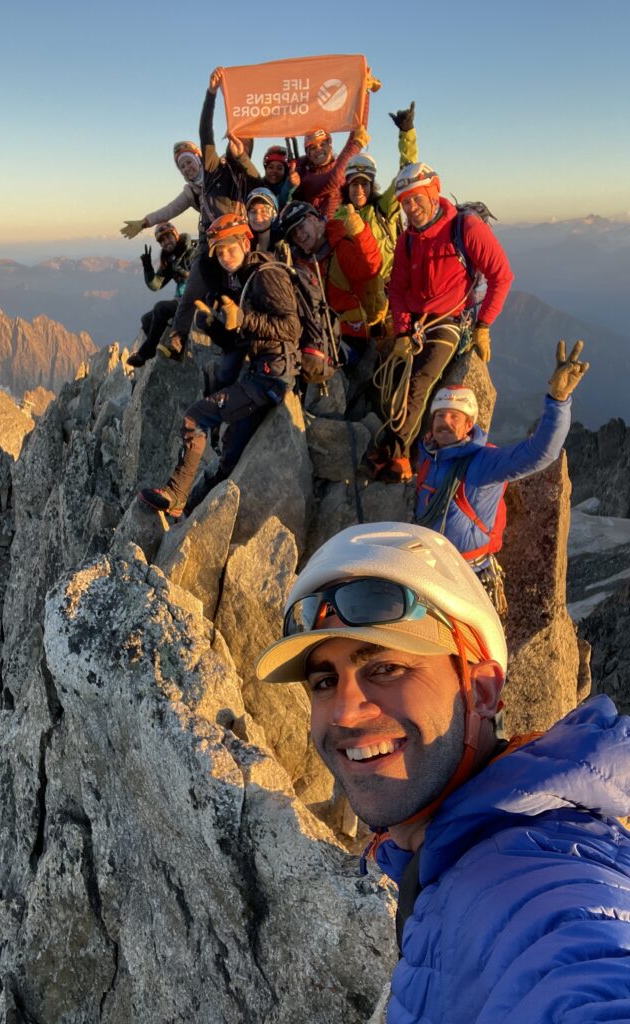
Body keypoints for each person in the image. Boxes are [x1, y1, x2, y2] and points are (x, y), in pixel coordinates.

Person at [256, 520, 630, 1023]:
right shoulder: (438, 858)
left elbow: (580, 969)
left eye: (385, 669)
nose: (344, 712)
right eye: (324, 681)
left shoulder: (531, 882)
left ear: (481, 690)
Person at [138, 212, 300, 517]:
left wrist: (244, 318)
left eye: (231, 248)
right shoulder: (245, 276)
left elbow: (291, 328)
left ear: (245, 242)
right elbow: (243, 336)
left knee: (196, 417)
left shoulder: (266, 274)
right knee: (230, 454)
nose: (226, 257)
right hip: (262, 372)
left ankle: (175, 494)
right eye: (220, 252)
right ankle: (191, 511)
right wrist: (217, 326)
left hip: (272, 376)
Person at [366, 162, 514, 483]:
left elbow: (501, 276)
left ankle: (399, 453)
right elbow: (400, 289)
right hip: (417, 321)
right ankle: (400, 441)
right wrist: (403, 330)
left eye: (417, 198)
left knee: (420, 380)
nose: (411, 207)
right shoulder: (408, 240)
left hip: (451, 320)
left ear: (434, 192)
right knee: (388, 373)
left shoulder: (466, 229)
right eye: (405, 201)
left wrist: (484, 325)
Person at [414, 340, 589, 611]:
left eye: (455, 417)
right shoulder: (426, 454)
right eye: (441, 415)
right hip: (429, 571)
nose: (445, 422)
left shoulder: (483, 463)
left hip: (467, 577)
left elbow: (540, 453)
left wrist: (558, 401)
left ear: (469, 425)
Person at [163, 66, 263, 362]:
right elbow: (205, 131)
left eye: (243, 143)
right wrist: (211, 93)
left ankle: (250, 336)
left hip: (241, 241)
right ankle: (178, 339)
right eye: (234, 140)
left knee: (247, 288)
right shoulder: (212, 169)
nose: (237, 144)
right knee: (195, 283)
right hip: (213, 241)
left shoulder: (245, 175)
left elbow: (259, 182)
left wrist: (242, 155)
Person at [333, 101, 418, 331]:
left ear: (371, 186)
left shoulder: (383, 208)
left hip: (389, 289)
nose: (359, 190)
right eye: (354, 184)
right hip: (356, 293)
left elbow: (407, 172)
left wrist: (406, 133)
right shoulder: (339, 216)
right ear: (347, 187)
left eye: (364, 184)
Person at [277, 199, 382, 360]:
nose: (298, 235)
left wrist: (361, 234)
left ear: (314, 220)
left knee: (317, 363)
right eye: (293, 234)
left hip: (352, 333)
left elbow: (369, 269)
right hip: (321, 334)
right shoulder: (300, 264)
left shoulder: (341, 247)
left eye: (300, 227)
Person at [128, 223, 198, 368]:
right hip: (181, 300)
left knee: (160, 308)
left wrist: (183, 272)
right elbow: (155, 285)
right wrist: (148, 268)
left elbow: (198, 276)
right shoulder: (170, 259)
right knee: (146, 320)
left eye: (168, 237)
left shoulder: (192, 250)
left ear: (176, 235)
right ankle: (159, 352)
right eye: (162, 241)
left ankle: (144, 354)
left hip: (196, 301)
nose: (166, 242)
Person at [120, 141, 204, 240]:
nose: (187, 168)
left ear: (198, 160)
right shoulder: (190, 193)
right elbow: (168, 210)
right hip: (214, 233)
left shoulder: (218, 172)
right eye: (182, 167)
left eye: (189, 162)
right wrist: (143, 223)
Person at [260, 144, 300, 210]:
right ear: (266, 169)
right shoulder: (257, 186)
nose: (274, 171)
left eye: (279, 168)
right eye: (271, 167)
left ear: (285, 172)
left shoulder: (292, 186)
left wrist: (290, 185)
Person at [245, 187, 279, 253]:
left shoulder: (283, 246)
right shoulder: (242, 247)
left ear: (274, 214)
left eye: (264, 211)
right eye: (253, 211)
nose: (257, 217)